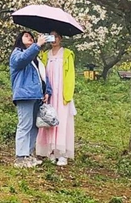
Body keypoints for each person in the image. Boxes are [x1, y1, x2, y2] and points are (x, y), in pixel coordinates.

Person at [10, 31, 51, 169]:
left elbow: (43, 76)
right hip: (24, 94)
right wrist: (37, 45)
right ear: (20, 39)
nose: (30, 38)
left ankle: (28, 154)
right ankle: (20, 157)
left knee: (34, 127)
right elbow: (21, 60)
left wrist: (47, 91)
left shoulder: (36, 58)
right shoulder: (17, 53)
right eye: (26, 36)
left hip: (37, 95)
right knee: (25, 125)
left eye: (31, 37)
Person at [36, 31, 76, 166]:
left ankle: (62, 153)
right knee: (48, 120)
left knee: (62, 121)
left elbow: (70, 75)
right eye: (51, 37)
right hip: (49, 93)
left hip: (62, 93)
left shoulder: (67, 54)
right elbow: (42, 73)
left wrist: (68, 94)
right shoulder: (45, 55)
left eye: (57, 37)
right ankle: (50, 151)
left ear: (61, 38)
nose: (54, 40)